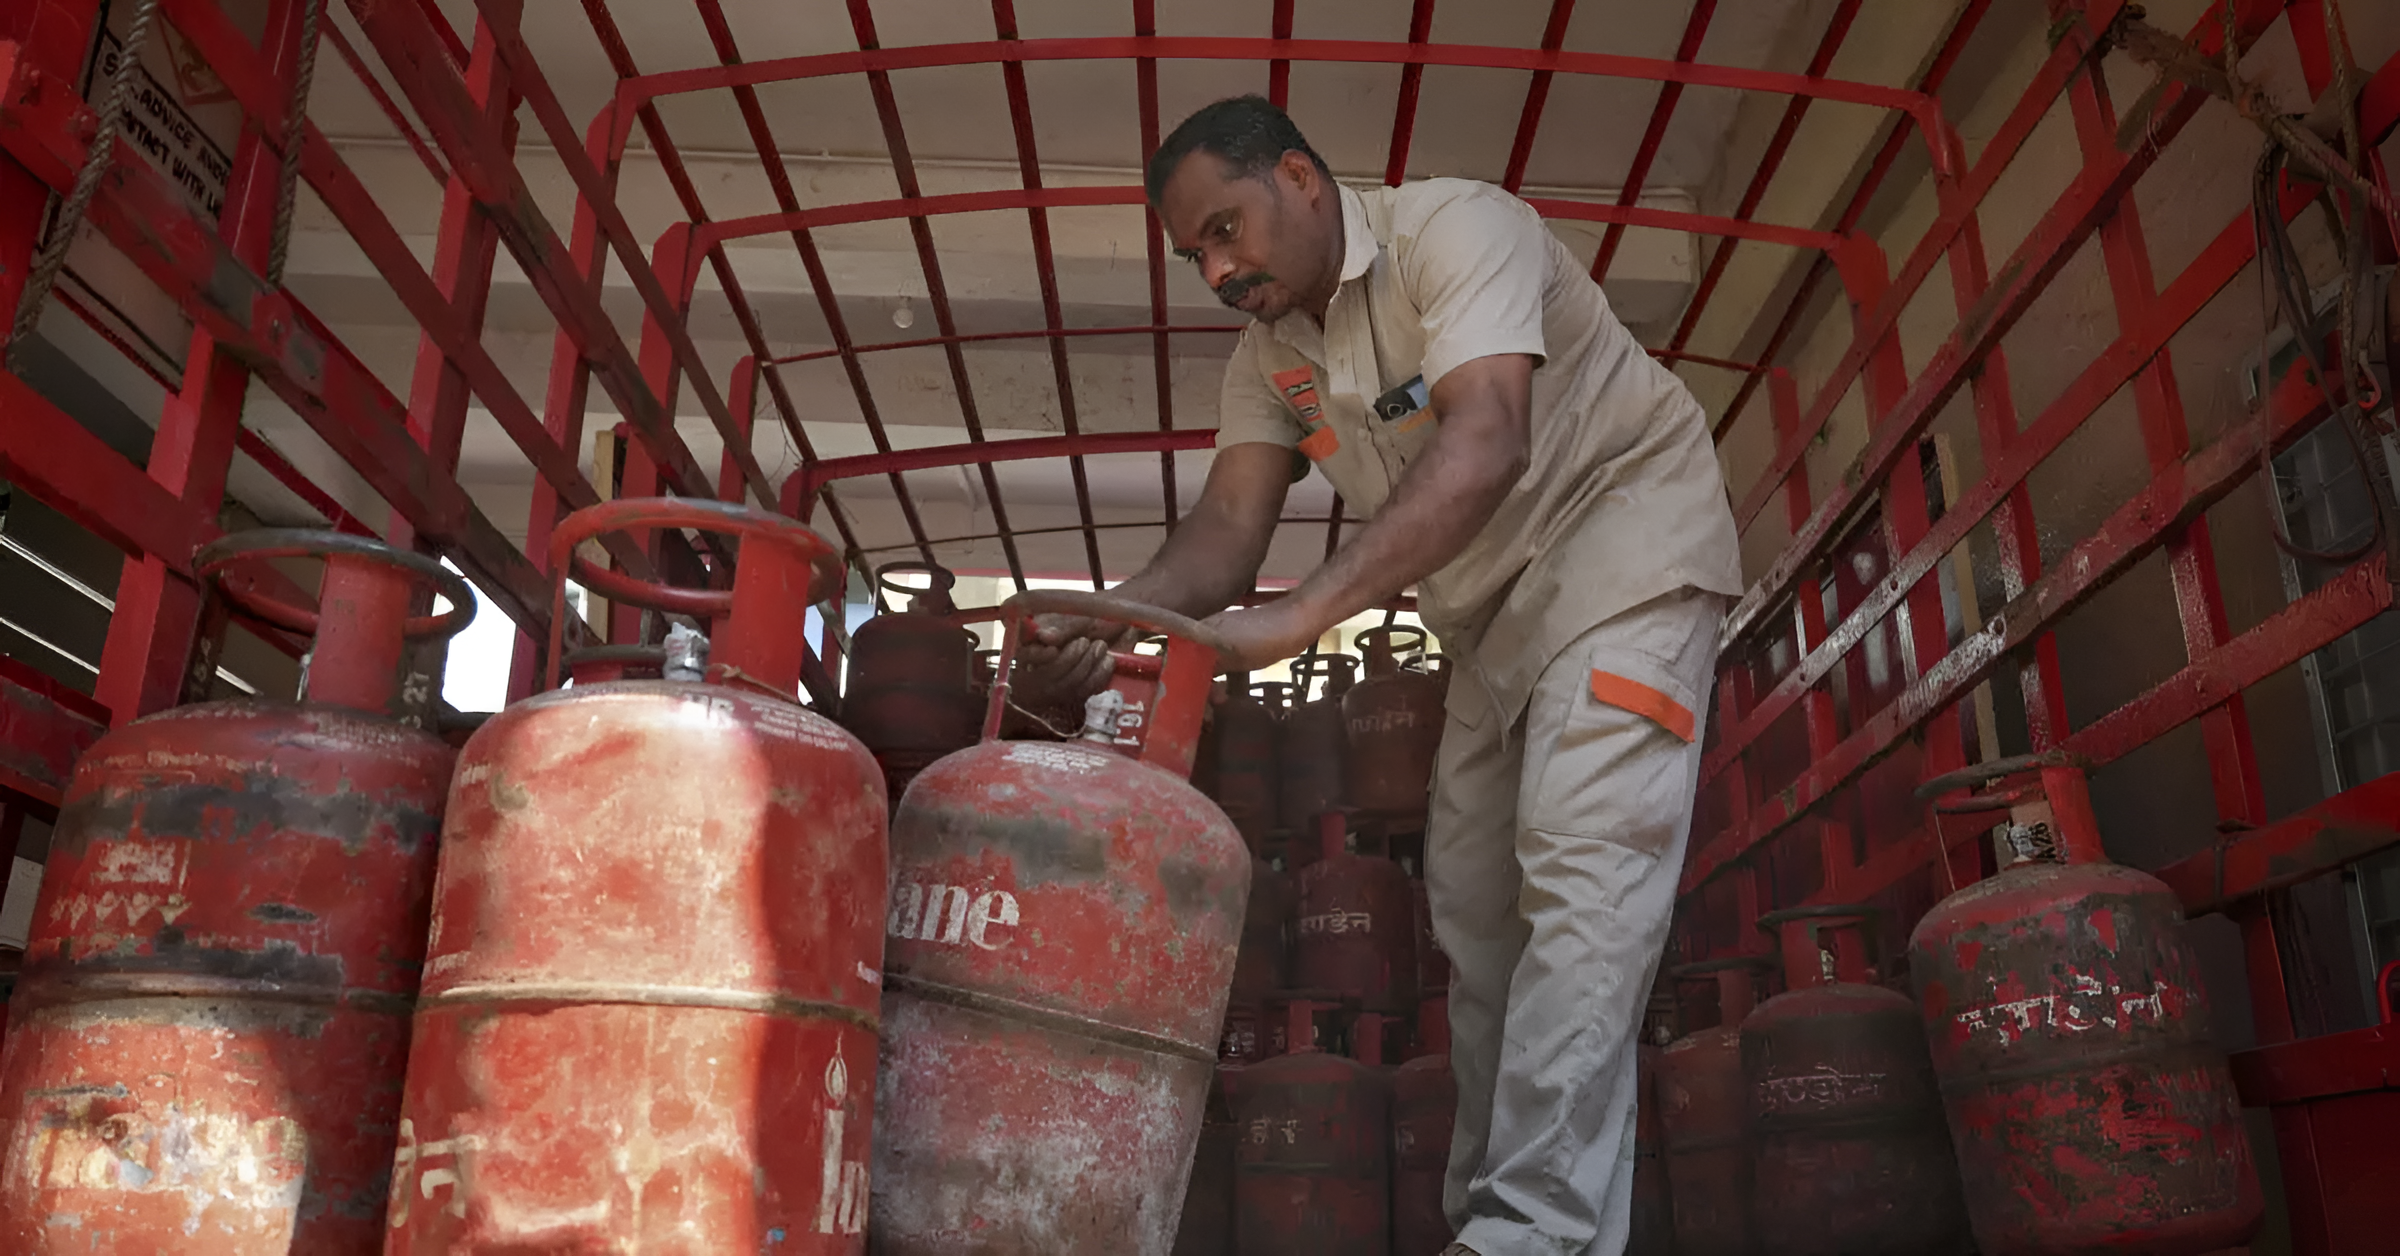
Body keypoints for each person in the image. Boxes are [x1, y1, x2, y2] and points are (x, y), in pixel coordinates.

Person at [1021, 96, 1742, 1256]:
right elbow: (1227, 529)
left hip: (1623, 562)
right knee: (1471, 904)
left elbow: (1486, 435)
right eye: (1193, 253)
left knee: (1581, 872)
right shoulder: (1269, 358)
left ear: (1302, 179)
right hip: (1492, 627)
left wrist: (1305, 615)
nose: (1216, 268)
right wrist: (1117, 618)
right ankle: (1490, 1216)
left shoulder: (1457, 233)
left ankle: (1532, 1233)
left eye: (1225, 229)